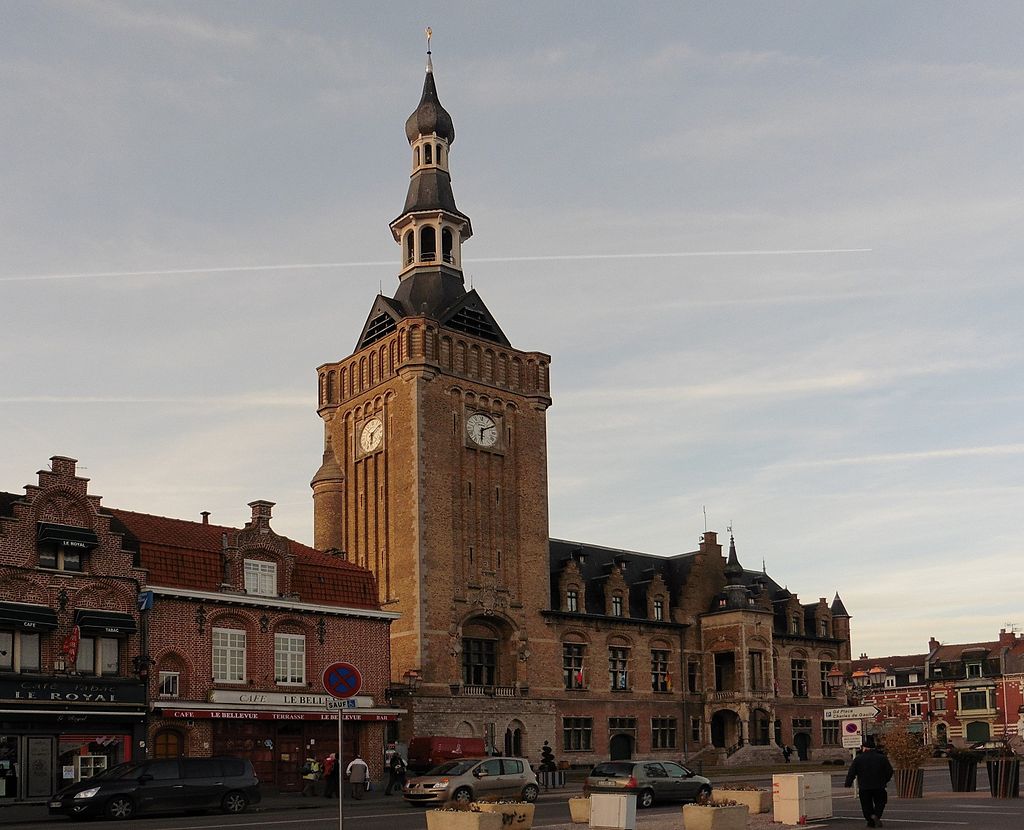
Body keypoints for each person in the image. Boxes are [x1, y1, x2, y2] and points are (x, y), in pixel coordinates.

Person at [845, 743, 894, 828]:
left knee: (866, 804)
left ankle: (870, 819)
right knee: (880, 802)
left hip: (864, 786)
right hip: (879, 786)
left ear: (864, 748)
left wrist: (848, 783)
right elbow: (889, 771)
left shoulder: (858, 759)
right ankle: (876, 815)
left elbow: (852, 772)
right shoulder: (882, 758)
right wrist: (885, 780)